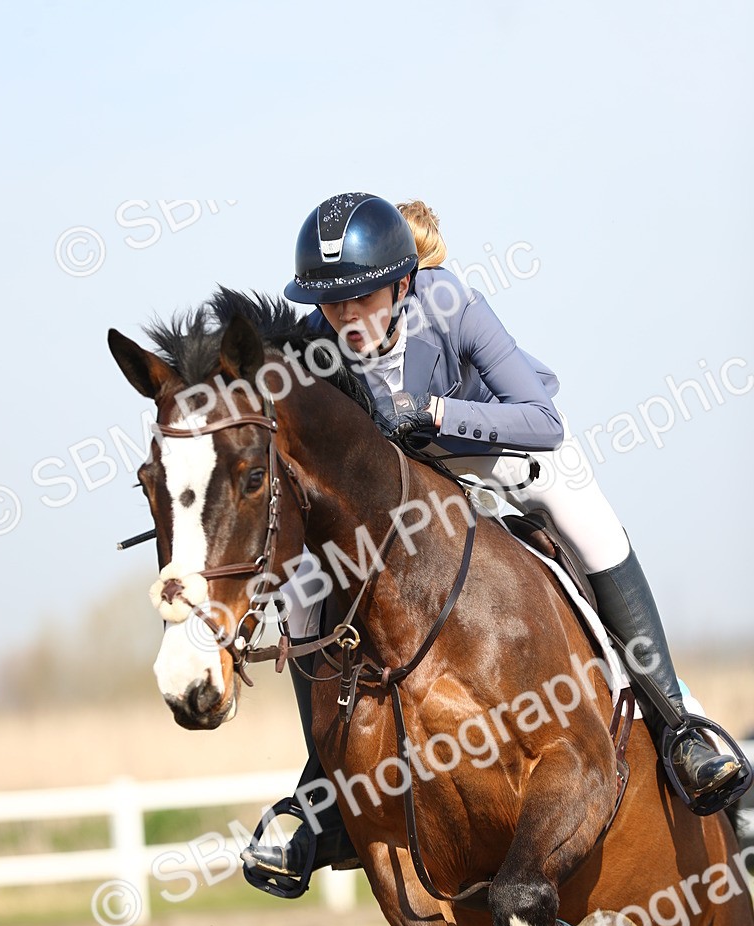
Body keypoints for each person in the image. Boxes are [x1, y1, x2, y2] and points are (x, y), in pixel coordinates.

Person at [244, 192, 743, 885]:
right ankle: (325, 793)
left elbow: (543, 420)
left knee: (590, 525)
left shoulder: (454, 307)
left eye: (360, 301)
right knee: (306, 582)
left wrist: (432, 412)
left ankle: (679, 723)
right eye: (331, 306)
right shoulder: (314, 338)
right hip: (408, 487)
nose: (345, 320)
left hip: (496, 448)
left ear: (402, 284)